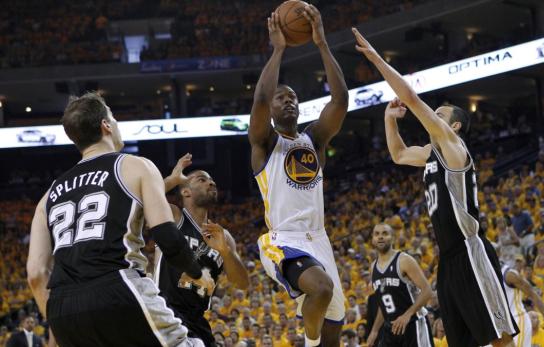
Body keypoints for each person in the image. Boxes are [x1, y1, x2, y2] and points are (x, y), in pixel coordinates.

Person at [352, 28, 518, 347]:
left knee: (499, 338)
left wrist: (377, 60)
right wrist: (389, 118)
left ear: (453, 126)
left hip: (471, 251)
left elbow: (413, 99)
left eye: (439, 115)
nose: (433, 118)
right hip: (448, 259)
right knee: (463, 340)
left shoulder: (454, 148)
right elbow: (399, 154)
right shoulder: (430, 154)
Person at [26, 92, 211, 347]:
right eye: (113, 117)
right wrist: (197, 273)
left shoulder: (47, 197)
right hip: (118, 289)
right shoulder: (136, 166)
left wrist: (59, 323)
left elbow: (36, 274)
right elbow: (168, 239)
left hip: (62, 309)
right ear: (106, 125)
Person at [249, 6, 348, 347]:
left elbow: (340, 100)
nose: (287, 101)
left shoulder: (313, 140)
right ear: (272, 111)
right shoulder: (265, 143)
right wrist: (278, 50)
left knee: (335, 330)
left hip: (319, 238)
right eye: (281, 98)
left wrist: (321, 43)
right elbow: (261, 97)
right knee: (321, 289)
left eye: (292, 97)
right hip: (283, 239)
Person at [153, 153, 249, 346]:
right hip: (166, 311)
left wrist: (224, 251)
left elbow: (242, 283)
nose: (211, 183)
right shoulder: (173, 216)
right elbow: (141, 198)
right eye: (202, 180)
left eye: (212, 181)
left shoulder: (224, 236)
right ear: (186, 192)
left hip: (198, 319)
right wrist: (172, 180)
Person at [367, 223, 434, 347]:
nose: (380, 237)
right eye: (377, 234)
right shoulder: (373, 268)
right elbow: (384, 304)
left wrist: (407, 315)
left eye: (385, 233)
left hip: (413, 324)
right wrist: (375, 330)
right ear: (372, 239)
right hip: (390, 328)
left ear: (392, 237)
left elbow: (427, 291)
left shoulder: (404, 260)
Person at [495, 262, 544, 346]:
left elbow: (533, 295)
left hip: (517, 319)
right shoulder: (483, 275)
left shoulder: (510, 275)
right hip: (499, 321)